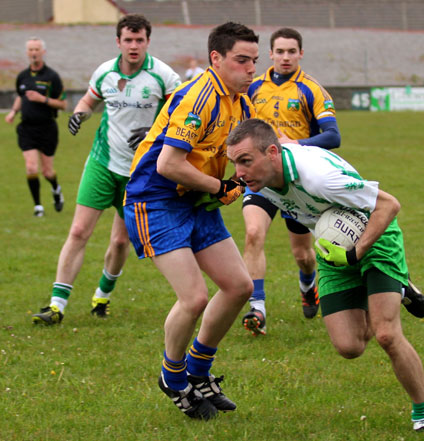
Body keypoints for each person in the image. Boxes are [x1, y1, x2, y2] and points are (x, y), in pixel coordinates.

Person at [226, 118, 424, 433]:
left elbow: (389, 205)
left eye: (245, 161)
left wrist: (355, 253)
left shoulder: (318, 178)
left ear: (273, 152)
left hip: (376, 237)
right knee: (349, 346)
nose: (239, 172)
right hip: (332, 246)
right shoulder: (259, 180)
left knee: (386, 334)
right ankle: (393, 288)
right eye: (235, 163)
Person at [124, 22, 258, 420]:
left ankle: (199, 371)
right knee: (194, 298)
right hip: (155, 199)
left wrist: (240, 181)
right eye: (241, 60)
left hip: (196, 197)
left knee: (238, 286)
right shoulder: (198, 98)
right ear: (215, 59)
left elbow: (251, 156)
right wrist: (220, 187)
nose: (251, 69)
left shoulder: (242, 102)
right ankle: (173, 375)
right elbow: (168, 165)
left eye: (254, 61)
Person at [32, 14, 181, 325]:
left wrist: (155, 131)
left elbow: (178, 117)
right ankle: (56, 305)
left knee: (119, 241)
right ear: (118, 42)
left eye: (139, 40)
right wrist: (80, 114)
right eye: (128, 40)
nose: (134, 46)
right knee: (78, 231)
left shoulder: (163, 76)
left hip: (139, 172)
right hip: (102, 163)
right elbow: (88, 101)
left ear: (147, 42)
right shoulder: (105, 73)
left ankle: (102, 295)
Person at [240, 28, 341, 335]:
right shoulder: (253, 87)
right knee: (254, 232)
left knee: (303, 255)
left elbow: (333, 135)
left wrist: (295, 145)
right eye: (280, 51)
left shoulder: (311, 89)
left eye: (291, 51)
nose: (285, 57)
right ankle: (257, 308)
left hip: (295, 179)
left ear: (300, 54)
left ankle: (308, 283)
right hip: (259, 177)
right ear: (270, 54)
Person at [5, 37, 67, 217]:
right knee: (31, 167)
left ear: (43, 52)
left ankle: (56, 188)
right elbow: (20, 96)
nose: (33, 53)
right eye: (31, 50)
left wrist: (43, 100)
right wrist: (13, 112)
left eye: (37, 49)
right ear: (27, 53)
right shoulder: (22, 76)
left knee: (47, 171)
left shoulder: (52, 77)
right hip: (27, 128)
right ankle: (38, 206)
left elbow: (63, 104)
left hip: (47, 128)